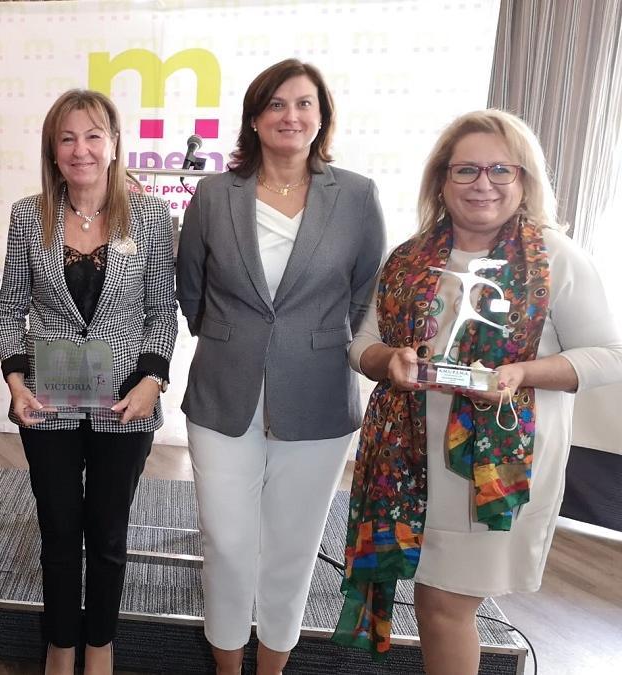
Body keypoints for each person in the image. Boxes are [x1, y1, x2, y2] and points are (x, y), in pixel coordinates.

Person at [335, 109, 622, 673]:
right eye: (465, 170)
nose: (482, 184)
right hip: (411, 464)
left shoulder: (555, 258)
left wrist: (521, 374)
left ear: (524, 180)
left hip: (498, 470)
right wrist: (387, 360)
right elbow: (362, 343)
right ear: (441, 180)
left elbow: (609, 355)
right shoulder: (410, 258)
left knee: (445, 603)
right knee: (434, 601)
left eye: (500, 170)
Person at [176, 58, 386, 675]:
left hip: (318, 395)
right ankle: (225, 664)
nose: (290, 116)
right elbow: (192, 288)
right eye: (276, 104)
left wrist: (311, 341)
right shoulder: (216, 193)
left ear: (321, 117)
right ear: (254, 117)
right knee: (229, 543)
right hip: (223, 391)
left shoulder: (355, 195)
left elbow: (365, 293)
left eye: (303, 104)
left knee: (292, 548)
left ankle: (272, 666)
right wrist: (236, 338)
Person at [0, 89, 177, 675]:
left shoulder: (150, 216)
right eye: (68, 137)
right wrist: (15, 378)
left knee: (106, 532)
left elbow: (162, 308)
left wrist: (152, 380)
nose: (81, 149)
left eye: (93, 135)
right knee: (56, 531)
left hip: (126, 400)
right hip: (46, 401)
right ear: (52, 148)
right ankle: (60, 644)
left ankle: (100, 645)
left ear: (115, 144)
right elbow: (11, 305)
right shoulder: (29, 214)